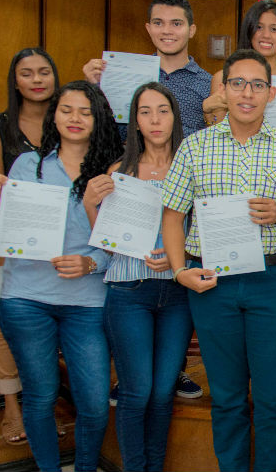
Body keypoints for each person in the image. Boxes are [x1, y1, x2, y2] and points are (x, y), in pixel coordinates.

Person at [160, 49, 276, 472]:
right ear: (223, 90)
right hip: (212, 284)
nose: (247, 93)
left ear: (271, 93)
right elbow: (172, 215)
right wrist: (179, 270)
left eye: (257, 85)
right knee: (226, 397)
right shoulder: (195, 146)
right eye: (238, 83)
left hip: (272, 281)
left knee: (274, 398)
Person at [0, 80, 123, 472]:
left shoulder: (113, 173)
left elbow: (124, 243)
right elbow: (5, 232)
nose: (75, 118)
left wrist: (92, 263)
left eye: (85, 111)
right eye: (67, 109)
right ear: (53, 115)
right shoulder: (28, 166)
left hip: (87, 301)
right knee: (40, 396)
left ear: (99, 119)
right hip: (26, 297)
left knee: (94, 402)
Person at [82, 82, 192, 472]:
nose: (155, 120)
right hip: (129, 291)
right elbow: (109, 243)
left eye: (162, 110)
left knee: (162, 393)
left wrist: (180, 257)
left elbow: (203, 231)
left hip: (177, 294)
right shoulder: (120, 172)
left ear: (175, 116)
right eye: (145, 112)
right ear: (135, 121)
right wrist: (90, 205)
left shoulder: (190, 166)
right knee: (137, 391)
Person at [0, 47, 59, 446]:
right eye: (27, 73)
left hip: (62, 241)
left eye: (43, 71)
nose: (36, 80)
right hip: (9, 241)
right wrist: (27, 226)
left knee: (55, 320)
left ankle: (45, 404)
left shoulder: (67, 119)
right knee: (9, 326)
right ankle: (12, 406)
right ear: (15, 81)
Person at [83, 0, 212, 139]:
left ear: (191, 30)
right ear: (148, 28)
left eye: (176, 24)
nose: (166, 31)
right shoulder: (126, 76)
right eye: (158, 23)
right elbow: (108, 132)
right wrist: (92, 88)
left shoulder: (208, 84)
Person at [202, 0, 276, 131]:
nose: (266, 35)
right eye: (259, 27)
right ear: (249, 32)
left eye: (274, 29)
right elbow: (216, 135)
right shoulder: (223, 78)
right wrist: (208, 112)